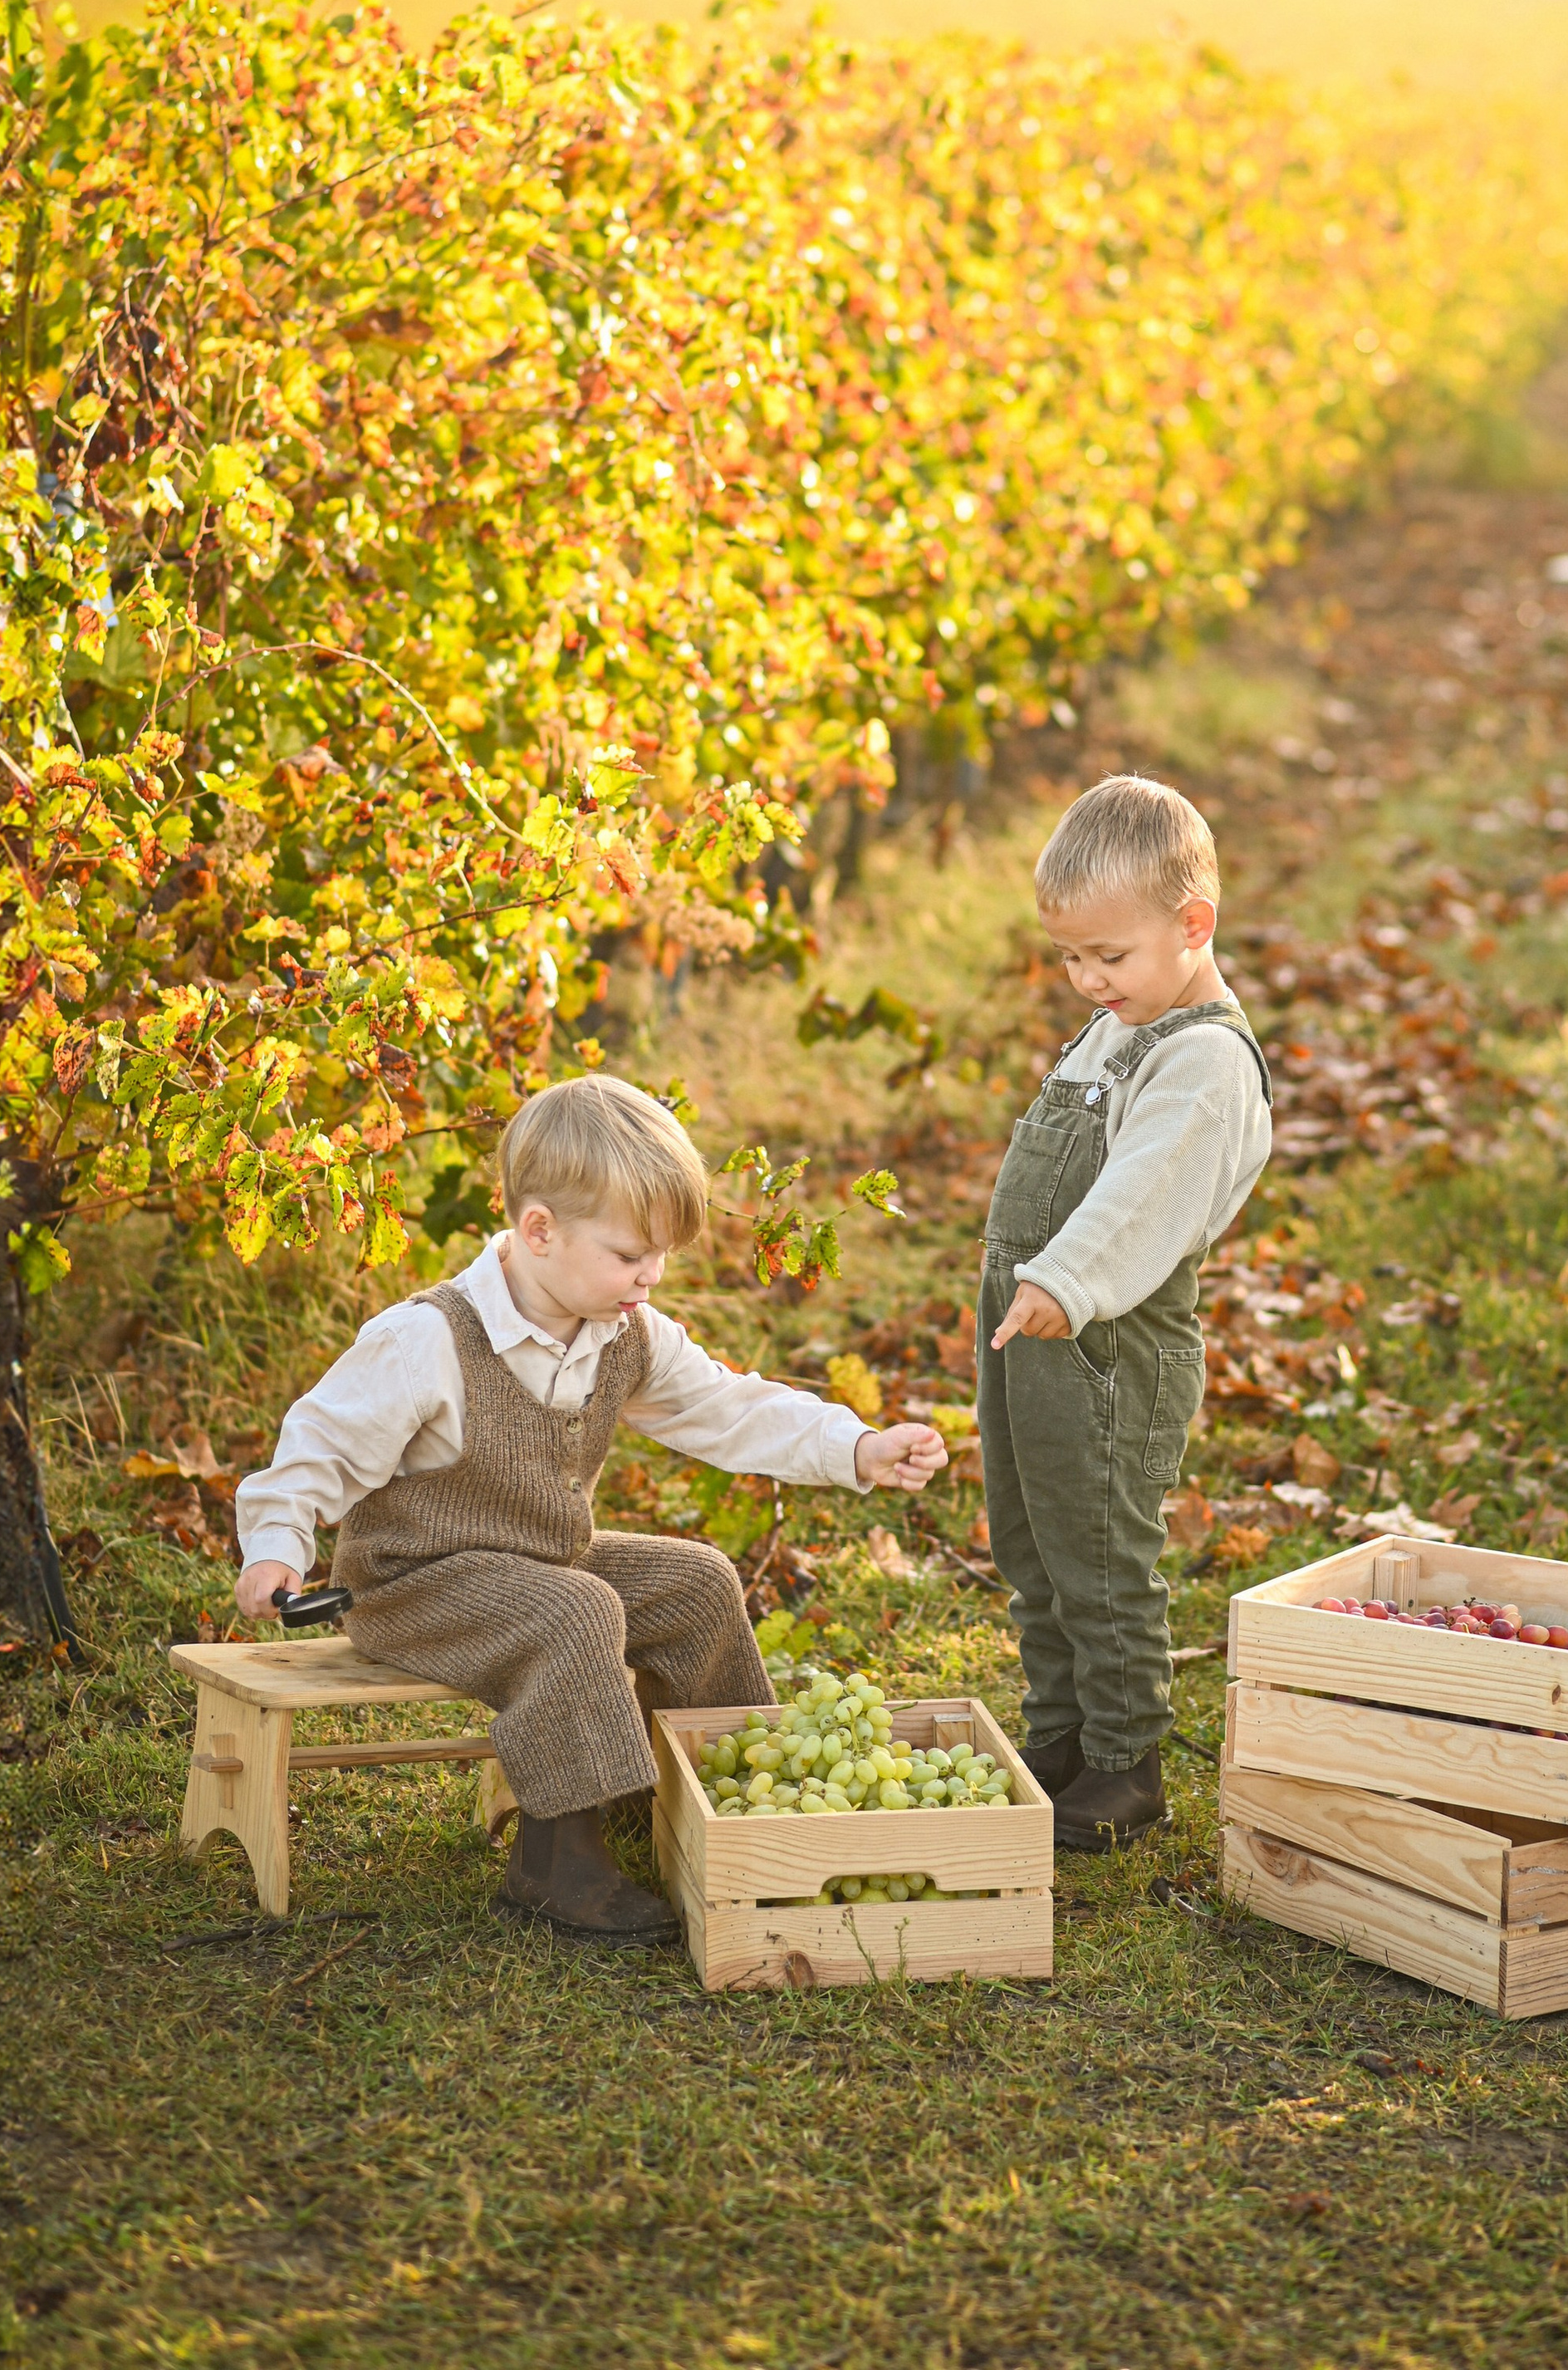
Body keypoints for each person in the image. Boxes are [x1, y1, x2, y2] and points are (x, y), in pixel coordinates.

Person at [233, 1073, 946, 1942]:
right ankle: (556, 1862)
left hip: (540, 1567)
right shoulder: (428, 1339)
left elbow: (729, 1407)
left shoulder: (622, 1328)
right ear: (539, 1229)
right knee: (577, 1608)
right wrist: (275, 1545)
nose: (649, 1276)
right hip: (412, 1588)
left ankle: (713, 1801)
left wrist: (857, 1446)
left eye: (661, 1257)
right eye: (628, 1254)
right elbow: (321, 1444)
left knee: (697, 1583)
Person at [978, 774, 1272, 1850]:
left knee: (1099, 1538)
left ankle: (1123, 1754)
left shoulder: (1201, 1060)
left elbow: (1145, 1189)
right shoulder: (1124, 1019)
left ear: (1193, 926)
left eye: (1110, 956)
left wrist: (1072, 1281)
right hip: (1033, 1315)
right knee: (1031, 1529)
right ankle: (1055, 1730)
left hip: (1109, 1331)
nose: (1087, 979)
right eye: (1071, 957)